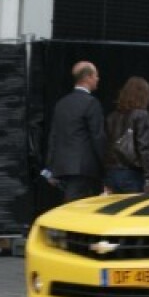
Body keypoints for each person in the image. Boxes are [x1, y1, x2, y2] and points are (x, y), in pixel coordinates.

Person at [45, 61, 106, 202]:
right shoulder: (91, 103)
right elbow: (97, 137)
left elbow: (53, 136)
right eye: (96, 75)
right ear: (88, 77)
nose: (98, 79)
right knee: (80, 210)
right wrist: (105, 165)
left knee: (68, 206)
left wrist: (50, 167)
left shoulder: (61, 103)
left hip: (62, 168)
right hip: (84, 169)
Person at [104, 76, 149, 194]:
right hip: (132, 174)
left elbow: (105, 146)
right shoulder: (141, 115)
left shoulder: (111, 117)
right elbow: (143, 147)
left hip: (111, 174)